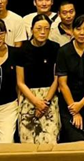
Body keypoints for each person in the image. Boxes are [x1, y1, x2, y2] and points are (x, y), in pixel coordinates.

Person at [16, 14, 61, 144]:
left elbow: (56, 78)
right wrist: (36, 102)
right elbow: (20, 82)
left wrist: (45, 102)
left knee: (50, 140)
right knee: (28, 141)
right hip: (29, 97)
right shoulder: (22, 50)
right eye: (39, 28)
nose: (42, 32)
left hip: (49, 97)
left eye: (46, 29)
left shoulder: (55, 48)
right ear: (31, 29)